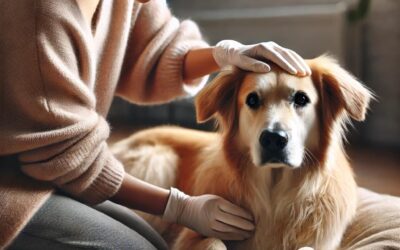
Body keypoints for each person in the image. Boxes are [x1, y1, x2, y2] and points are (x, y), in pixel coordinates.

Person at [0, 0, 311, 249]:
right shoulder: (39, 15)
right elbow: (67, 158)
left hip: (44, 174)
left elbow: (154, 49)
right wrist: (180, 207)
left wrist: (222, 56)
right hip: (11, 186)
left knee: (154, 240)